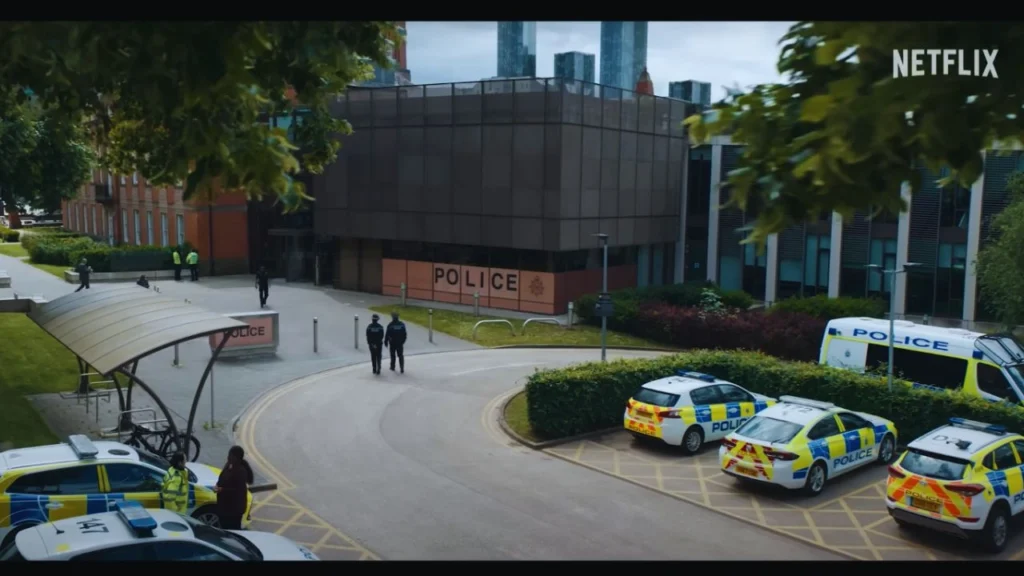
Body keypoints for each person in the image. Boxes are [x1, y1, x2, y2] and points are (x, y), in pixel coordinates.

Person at [215, 445, 253, 530]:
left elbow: (239, 491)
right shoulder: (229, 465)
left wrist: (223, 490)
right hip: (225, 507)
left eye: (230, 455)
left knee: (232, 530)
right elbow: (222, 477)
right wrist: (218, 485)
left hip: (233, 510)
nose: (228, 457)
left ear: (236, 457)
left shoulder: (241, 471)